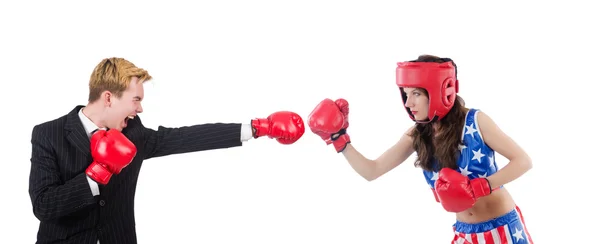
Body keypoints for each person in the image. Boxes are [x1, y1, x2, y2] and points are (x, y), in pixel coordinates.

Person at [28, 57, 306, 244]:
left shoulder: (134, 133)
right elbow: (43, 206)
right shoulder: (48, 134)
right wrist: (96, 174)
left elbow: (185, 138)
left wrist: (257, 128)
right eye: (135, 100)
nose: (139, 109)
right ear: (109, 98)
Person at [307, 55, 534, 243]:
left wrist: (480, 186)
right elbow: (372, 170)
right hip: (465, 233)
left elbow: (523, 161)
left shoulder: (475, 121)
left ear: (441, 91)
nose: (408, 103)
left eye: (416, 93)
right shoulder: (416, 135)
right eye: (406, 94)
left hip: (503, 229)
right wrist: (340, 140)